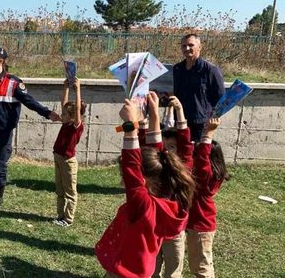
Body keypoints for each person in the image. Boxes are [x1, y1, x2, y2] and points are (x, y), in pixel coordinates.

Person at [95, 94, 195, 278]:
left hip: (124, 274)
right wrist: (154, 115)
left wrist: (130, 126)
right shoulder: (165, 199)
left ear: (145, 179)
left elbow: (131, 165)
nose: (123, 178)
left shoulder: (143, 205)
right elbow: (155, 154)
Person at [0, 47, 60, 209]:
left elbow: (30, 101)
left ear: (1, 61)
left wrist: (47, 113)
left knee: (0, 165)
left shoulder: (14, 82)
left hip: (3, 131)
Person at [147, 95, 194, 278]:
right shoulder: (157, 170)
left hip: (175, 232)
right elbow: (154, 144)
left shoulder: (184, 168)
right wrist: (153, 113)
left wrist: (180, 111)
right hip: (155, 229)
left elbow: (185, 142)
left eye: (172, 147)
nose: (167, 151)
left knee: (173, 272)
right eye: (165, 148)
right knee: (152, 268)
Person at [187, 117, 229, 278]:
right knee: (198, 263)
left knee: (201, 267)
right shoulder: (211, 175)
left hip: (201, 226)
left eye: (197, 155)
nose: (194, 159)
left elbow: (202, 161)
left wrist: (208, 133)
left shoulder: (205, 177)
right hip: (196, 224)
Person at [173, 34, 225, 141]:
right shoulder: (177, 69)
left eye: (191, 45)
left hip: (201, 124)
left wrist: (211, 121)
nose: (187, 48)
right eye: (183, 46)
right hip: (179, 121)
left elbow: (221, 98)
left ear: (200, 47)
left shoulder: (211, 70)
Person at [52, 77, 85, 227]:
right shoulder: (66, 123)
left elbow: (77, 109)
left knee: (70, 192)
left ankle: (68, 219)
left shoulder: (75, 125)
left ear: (72, 117)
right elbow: (63, 104)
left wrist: (77, 89)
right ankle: (60, 215)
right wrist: (65, 87)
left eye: (65, 114)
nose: (62, 115)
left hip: (68, 161)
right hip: (58, 158)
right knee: (60, 190)